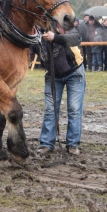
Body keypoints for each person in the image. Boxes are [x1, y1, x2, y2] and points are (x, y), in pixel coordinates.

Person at [30, 27, 85, 156]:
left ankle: (72, 144)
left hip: (74, 72)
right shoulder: (33, 34)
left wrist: (55, 37)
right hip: (52, 75)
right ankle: (46, 144)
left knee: (74, 108)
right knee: (50, 109)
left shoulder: (61, 22)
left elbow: (76, 37)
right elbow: (26, 54)